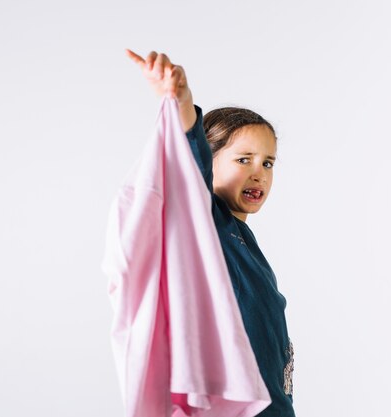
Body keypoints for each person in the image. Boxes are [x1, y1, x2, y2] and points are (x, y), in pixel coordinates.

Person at [126, 49, 296, 417]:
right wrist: (180, 101)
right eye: (243, 159)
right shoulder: (208, 221)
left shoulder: (243, 240)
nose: (259, 173)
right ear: (209, 163)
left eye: (267, 162)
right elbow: (190, 162)